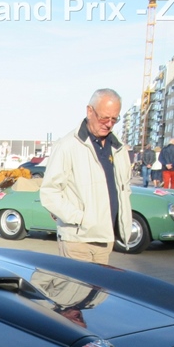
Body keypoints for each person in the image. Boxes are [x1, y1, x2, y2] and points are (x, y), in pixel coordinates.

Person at [40, 88, 133, 266]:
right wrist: (79, 218)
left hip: (105, 239)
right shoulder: (67, 145)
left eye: (114, 119)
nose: (109, 124)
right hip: (78, 240)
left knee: (100, 285)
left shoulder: (118, 148)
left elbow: (124, 188)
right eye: (104, 118)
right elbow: (49, 192)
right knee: (78, 285)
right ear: (90, 111)